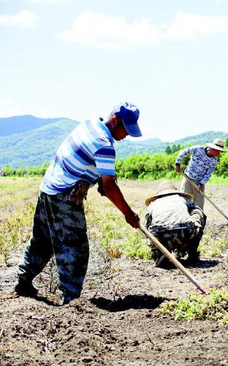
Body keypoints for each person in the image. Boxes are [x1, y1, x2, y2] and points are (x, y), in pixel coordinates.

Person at [14, 102, 142, 304]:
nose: (126, 135)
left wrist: (96, 179)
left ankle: (23, 281)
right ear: (115, 121)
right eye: (126, 130)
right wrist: (129, 214)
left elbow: (89, 163)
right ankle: (71, 299)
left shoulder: (90, 124)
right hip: (64, 196)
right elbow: (109, 187)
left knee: (42, 240)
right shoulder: (104, 145)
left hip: (48, 187)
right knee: (75, 248)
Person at [145, 180, 206, 268]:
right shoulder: (182, 198)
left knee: (152, 230)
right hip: (185, 232)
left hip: (160, 236)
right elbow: (197, 210)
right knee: (198, 213)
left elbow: (147, 225)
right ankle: (192, 254)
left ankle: (160, 253)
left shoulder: (153, 204)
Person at [174, 138, 226, 209]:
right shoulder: (198, 149)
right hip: (187, 177)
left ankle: (198, 218)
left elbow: (208, 174)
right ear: (213, 149)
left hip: (199, 181)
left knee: (199, 205)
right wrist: (177, 164)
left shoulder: (214, 161)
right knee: (184, 200)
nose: (219, 153)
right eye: (218, 151)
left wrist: (201, 183)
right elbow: (183, 152)